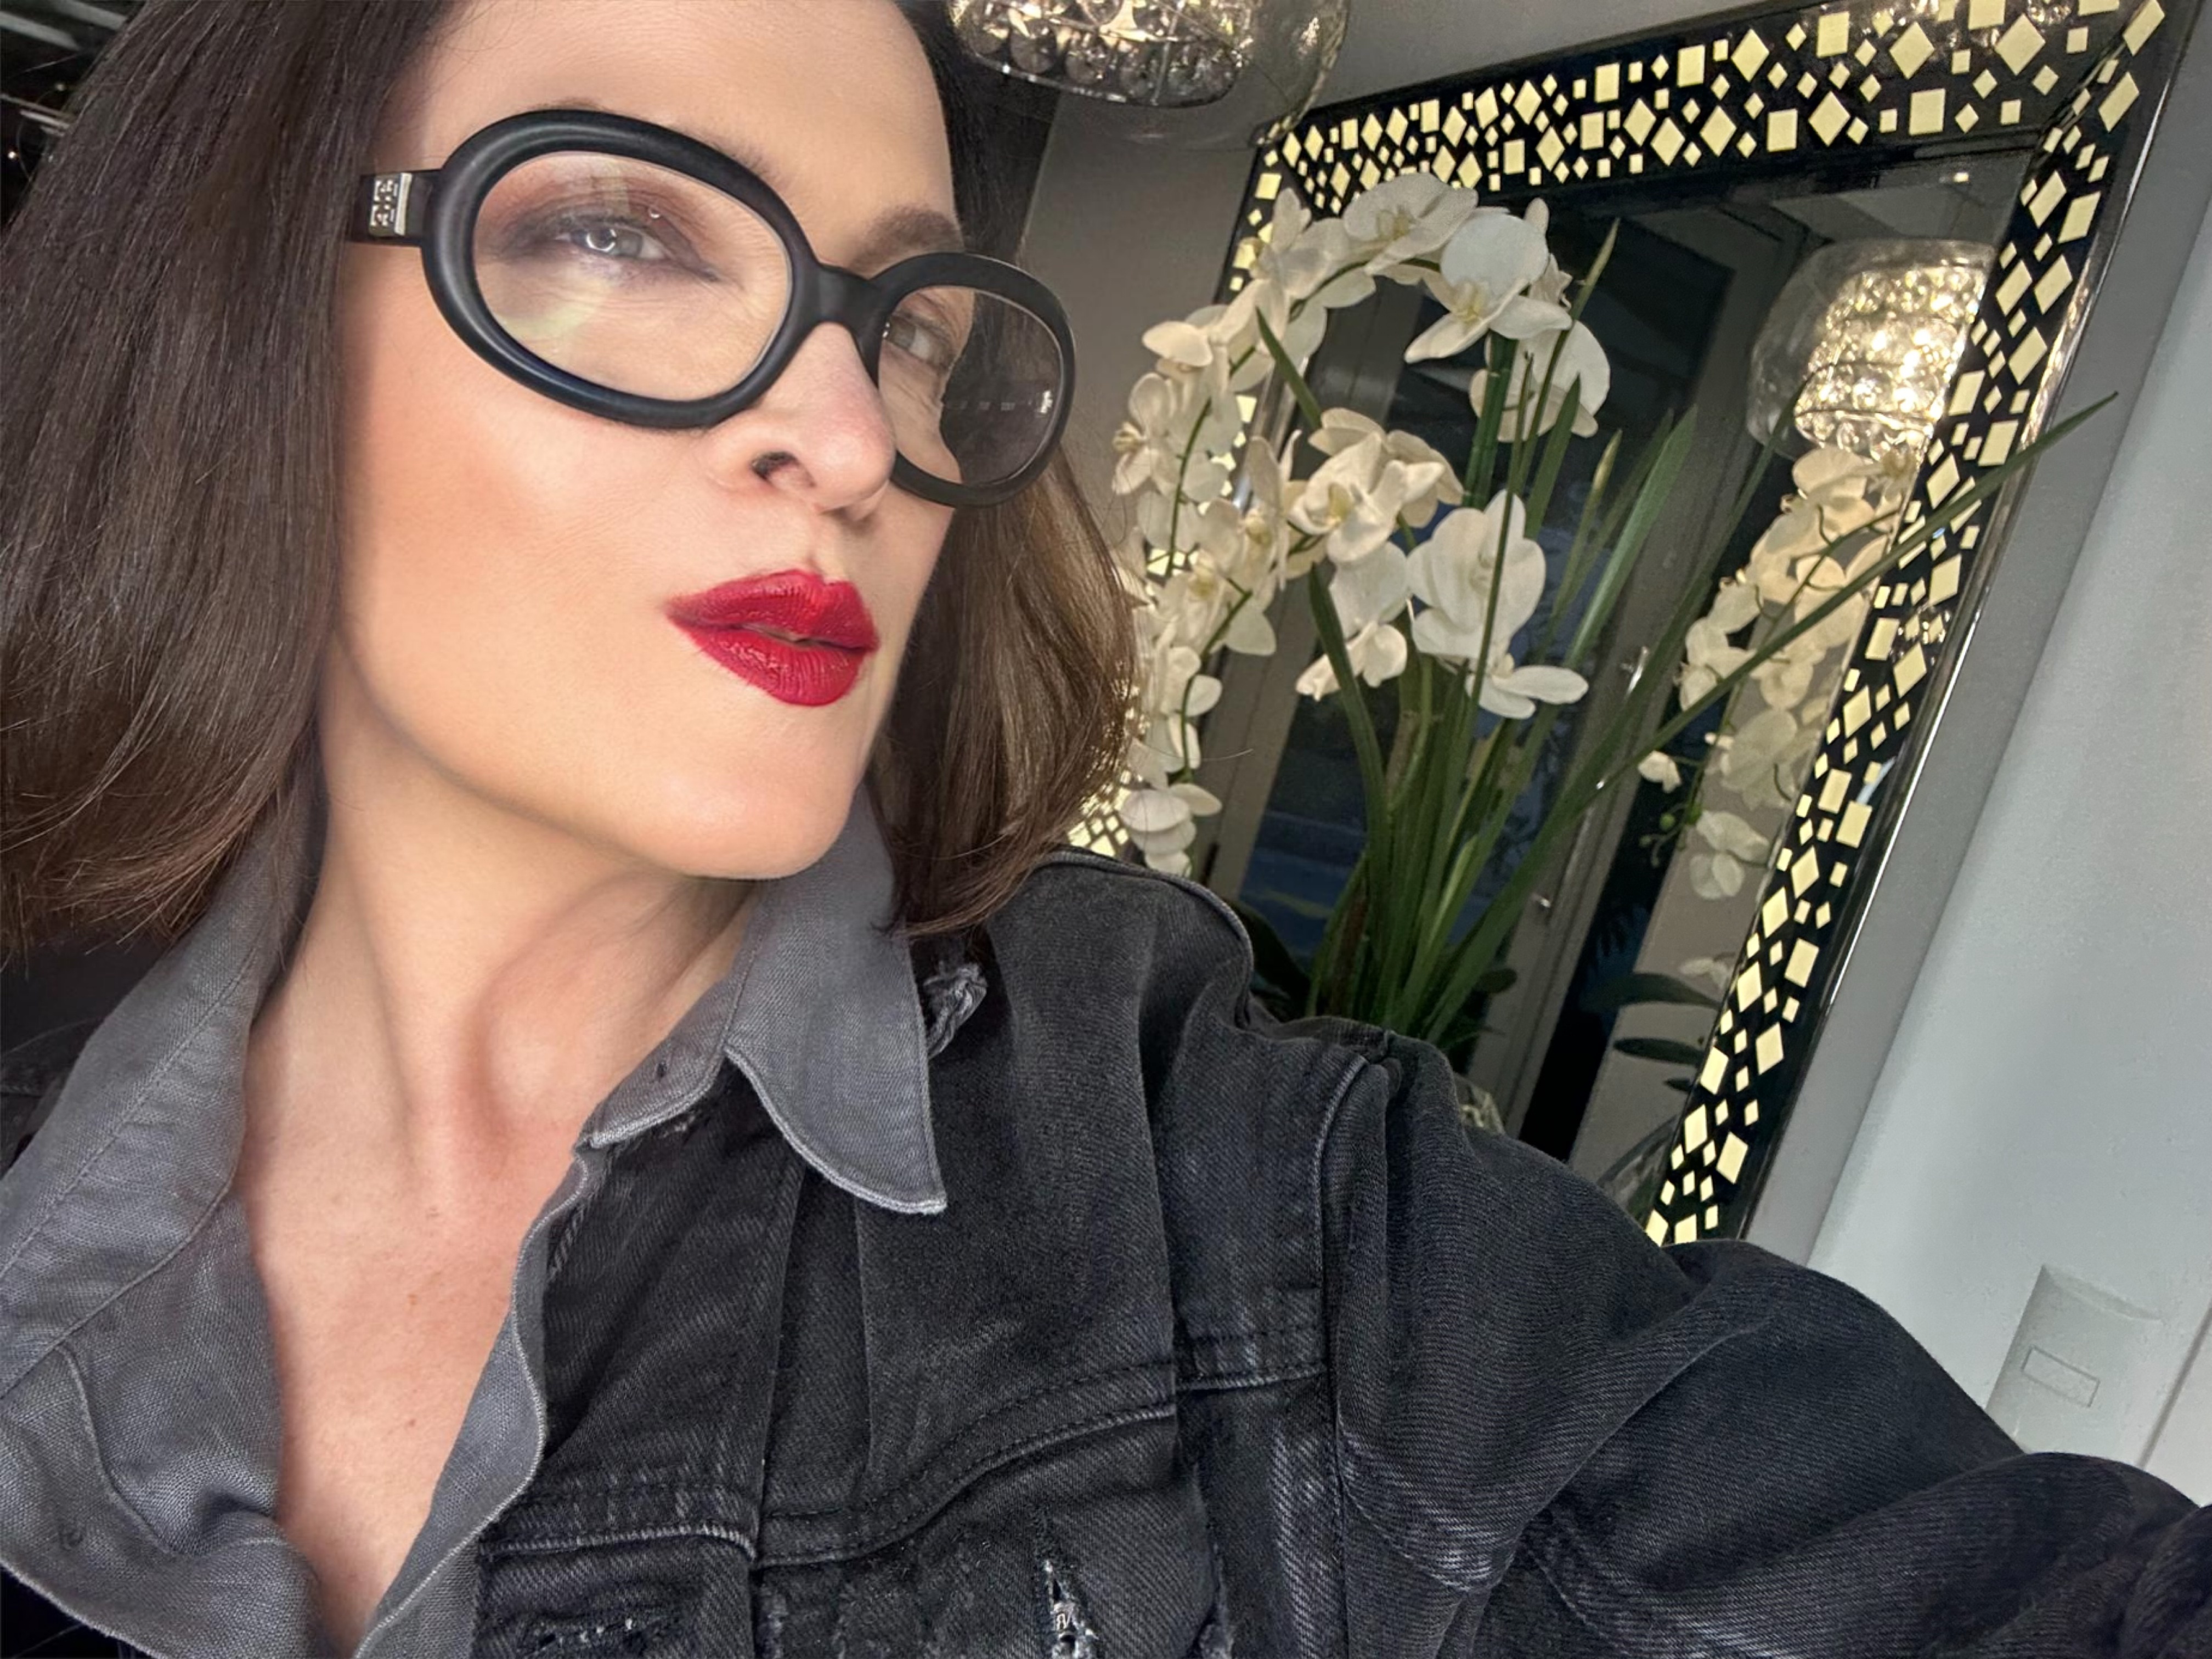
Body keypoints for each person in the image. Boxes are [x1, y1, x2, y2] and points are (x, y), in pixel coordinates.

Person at [0, 1, 2203, 1655]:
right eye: (625, 227)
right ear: (243, 314)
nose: (852, 434)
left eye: (908, 325)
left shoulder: (1250, 1203)